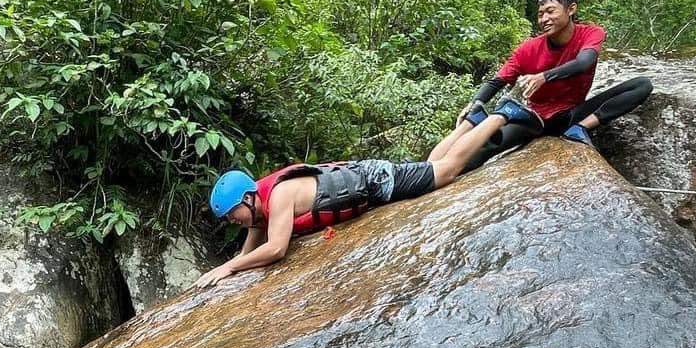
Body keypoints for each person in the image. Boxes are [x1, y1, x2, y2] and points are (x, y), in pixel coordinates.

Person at [193, 96, 538, 288]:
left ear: (248, 198)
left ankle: (501, 115)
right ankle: (470, 122)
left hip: (375, 182)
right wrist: (228, 267)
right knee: (430, 165)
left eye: (233, 214)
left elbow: (276, 249)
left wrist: (232, 267)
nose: (234, 221)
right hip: (368, 179)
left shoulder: (280, 195)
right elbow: (249, 250)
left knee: (446, 172)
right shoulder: (257, 211)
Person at [447, 0, 652, 172]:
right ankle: (438, 174)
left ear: (571, 9)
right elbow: (497, 81)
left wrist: (544, 77)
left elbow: (584, 62)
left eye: (550, 11)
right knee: (483, 148)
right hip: (533, 119)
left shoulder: (591, 33)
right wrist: (475, 103)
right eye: (540, 14)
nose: (544, 19)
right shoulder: (529, 49)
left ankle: (580, 128)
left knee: (642, 85)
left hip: (570, 115)